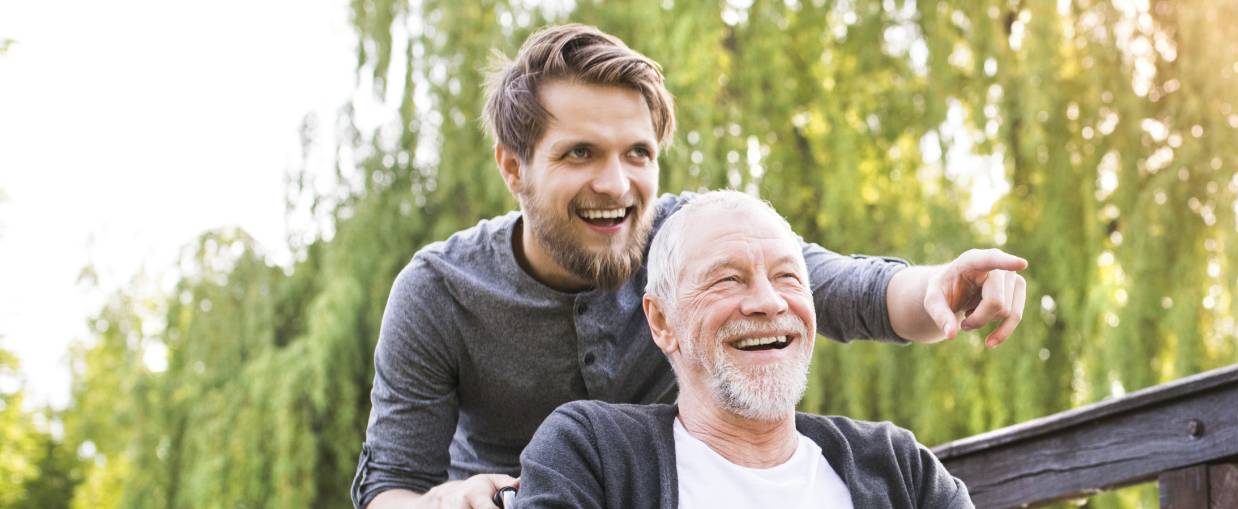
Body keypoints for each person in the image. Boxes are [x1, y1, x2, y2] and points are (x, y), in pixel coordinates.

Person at [353, 24, 1022, 509]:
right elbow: (389, 485)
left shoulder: (690, 241)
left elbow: (845, 288)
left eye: (637, 153)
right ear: (512, 166)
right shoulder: (439, 292)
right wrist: (442, 504)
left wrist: (939, 288)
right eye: (580, 153)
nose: (615, 183)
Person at [515, 191, 971, 508]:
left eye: (787, 277)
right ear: (661, 321)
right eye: (727, 279)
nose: (768, 302)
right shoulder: (590, 452)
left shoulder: (899, 468)